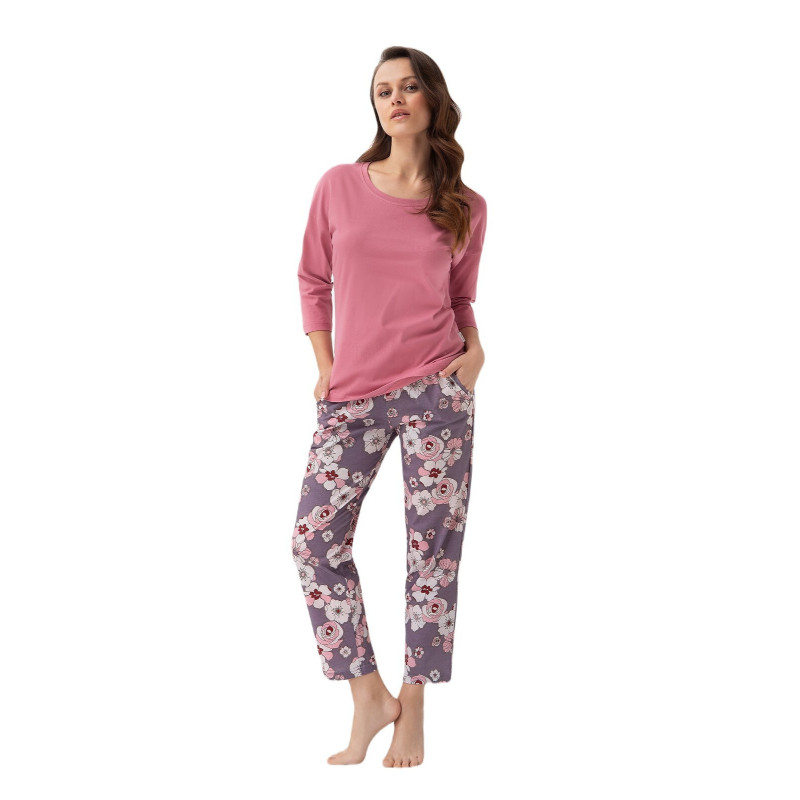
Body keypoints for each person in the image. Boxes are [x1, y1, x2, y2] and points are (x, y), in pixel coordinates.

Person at [290, 46, 488, 768]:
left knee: (431, 554)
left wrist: (475, 354)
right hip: (352, 393)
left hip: (438, 389)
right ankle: (368, 694)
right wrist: (325, 366)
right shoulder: (340, 185)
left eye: (408, 87)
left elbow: (460, 297)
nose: (395, 99)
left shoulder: (465, 205)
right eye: (383, 90)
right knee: (314, 542)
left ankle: (416, 705)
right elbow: (313, 280)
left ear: (432, 99)